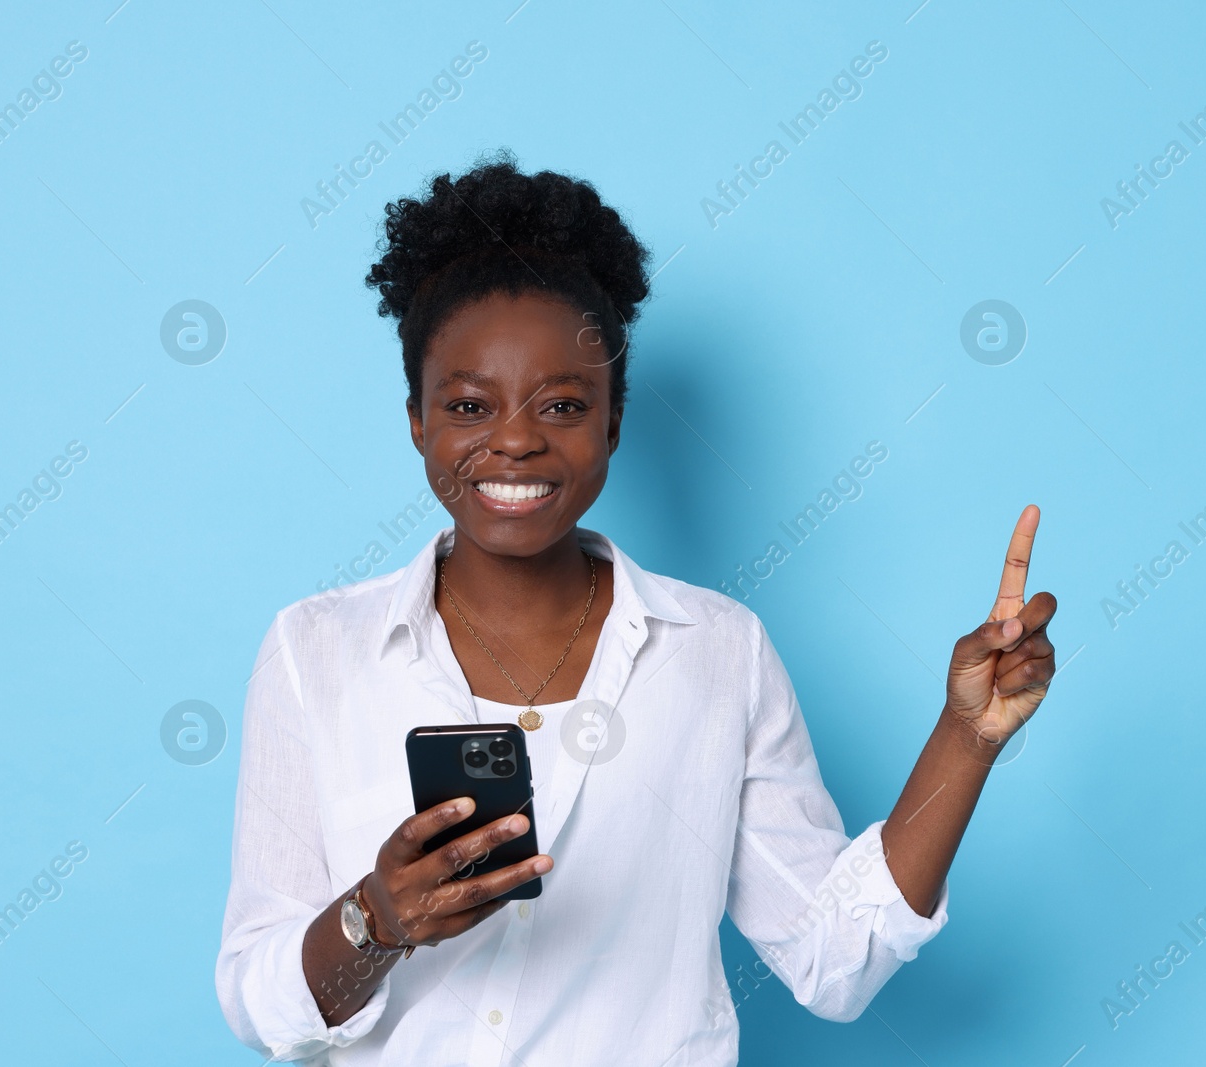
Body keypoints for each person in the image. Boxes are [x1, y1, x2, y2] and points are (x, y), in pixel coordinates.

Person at [215, 148, 1058, 1065]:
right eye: (468, 405)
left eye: (564, 405)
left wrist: (966, 738)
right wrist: (376, 919)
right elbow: (265, 1008)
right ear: (417, 419)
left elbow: (834, 960)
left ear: (613, 420)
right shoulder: (314, 651)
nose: (515, 441)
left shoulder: (718, 651)